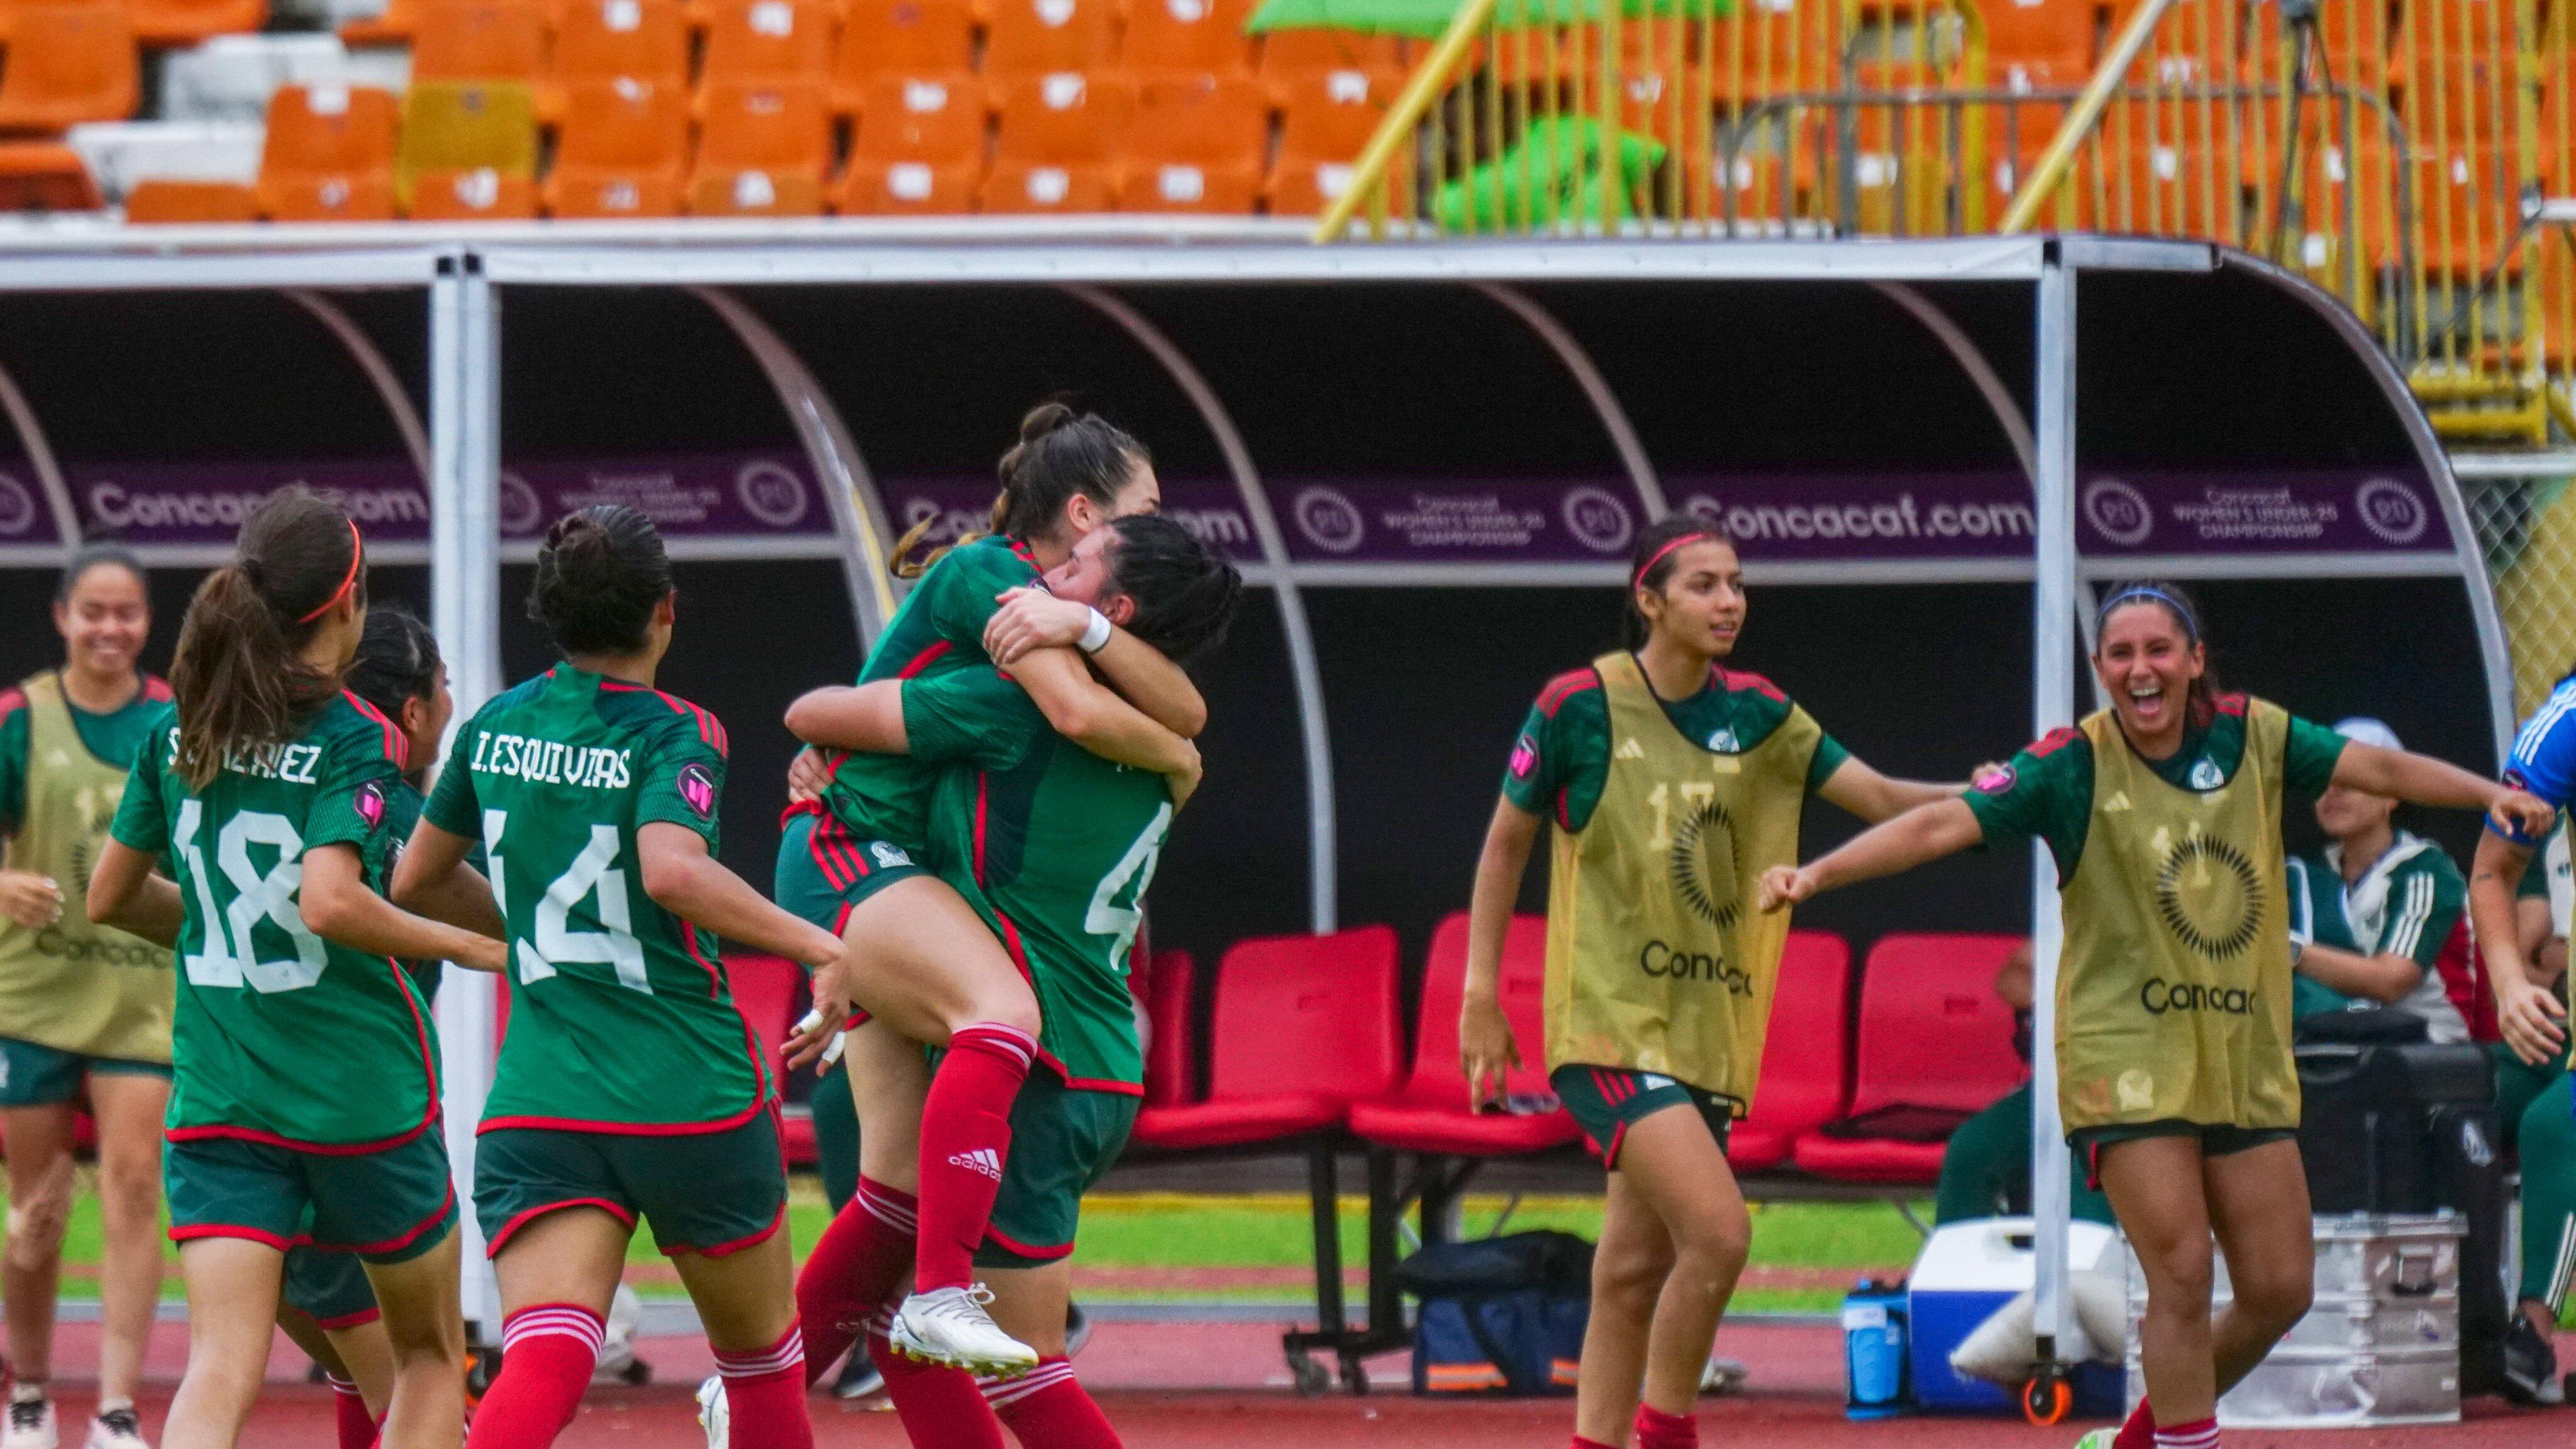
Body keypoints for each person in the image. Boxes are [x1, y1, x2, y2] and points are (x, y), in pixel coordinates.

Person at [1757, 581, 2551, 1449]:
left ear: (2195, 660)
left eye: (2159, 650)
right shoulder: (2071, 763)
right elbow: (1938, 825)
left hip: (2240, 1055)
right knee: (2179, 1273)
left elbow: (2383, 770)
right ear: (2100, 669)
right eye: (2121, 654)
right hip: (2127, 1056)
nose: (2141, 669)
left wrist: (2489, 792)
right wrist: (1818, 875)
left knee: (2280, 1288)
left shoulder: (2253, 734)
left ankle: (2137, 1441)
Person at [1455, 517, 1968, 1449]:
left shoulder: (1761, 712)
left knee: (1629, 1271)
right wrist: (1479, 996)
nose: (1729, 601)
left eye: (1736, 583)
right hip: (1605, 1026)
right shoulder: (1580, 704)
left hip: (1703, 1033)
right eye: (1704, 585)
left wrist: (1995, 792)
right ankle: (1668, 1433)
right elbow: (1504, 845)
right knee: (1721, 1234)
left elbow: (1884, 799)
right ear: (1648, 601)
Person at [767, 509, 1241, 1449]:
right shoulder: (1170, 746)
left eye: (1074, 568)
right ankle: (754, 1393)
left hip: (1043, 1068)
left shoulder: (1007, 708)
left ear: (1115, 609)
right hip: (1096, 1059)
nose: (1042, 577)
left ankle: (759, 1387)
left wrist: (830, 764)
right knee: (909, 1335)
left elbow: (815, 713)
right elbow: (1175, 723)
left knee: (1023, 1369)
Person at [389, 505, 846, 1449]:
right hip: (687, 1094)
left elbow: (416, 880)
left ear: (550, 615)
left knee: (544, 1361)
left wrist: (530, 928)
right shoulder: (678, 730)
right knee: (762, 1366)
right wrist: (820, 946)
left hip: (541, 1103)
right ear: (664, 610)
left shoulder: (495, 724)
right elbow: (671, 871)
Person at [85, 489, 509, 1449]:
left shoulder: (178, 729)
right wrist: (473, 946)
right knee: (428, 1362)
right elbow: (330, 902)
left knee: (218, 1366)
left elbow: (110, 896)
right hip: (359, 1103)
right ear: (348, 601)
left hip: (223, 1098)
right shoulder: (355, 735)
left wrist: (223, 932)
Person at [0, 546, 172, 1449]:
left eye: (127, 612)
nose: (111, 629)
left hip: (139, 998)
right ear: (62, 615)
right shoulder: (19, 720)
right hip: (32, 998)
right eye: (94, 611)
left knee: (135, 1189)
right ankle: (30, 1391)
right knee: (36, 1209)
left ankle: (116, 1407)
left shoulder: (176, 723)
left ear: (148, 621)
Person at [272, 604, 454, 1449]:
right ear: (412, 712)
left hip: (243, 1115)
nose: (452, 703)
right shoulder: (405, 827)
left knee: (360, 1374)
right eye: (444, 686)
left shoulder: (267, 790)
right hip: (360, 1126)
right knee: (425, 1385)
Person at [2464, 677, 2576, 1405]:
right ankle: (2482, 1328)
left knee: (2554, 1120)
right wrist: (2508, 985)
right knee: (2475, 1102)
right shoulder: (2567, 721)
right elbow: (2492, 870)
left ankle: (2531, 1331)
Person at [2284, 718, 2474, 1041]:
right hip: (2338, 1041)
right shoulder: (2306, 874)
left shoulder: (2424, 868)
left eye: (2350, 779)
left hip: (2431, 1047)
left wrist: (2288, 950)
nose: (2332, 790)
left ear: (2393, 794)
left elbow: (2392, 981)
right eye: (2321, 778)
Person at [1933, 943, 2116, 1228]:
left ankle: (2087, 1255)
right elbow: (2010, 980)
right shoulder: (2075, 921)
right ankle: (1958, 1257)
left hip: (2133, 1087)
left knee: (2091, 1157)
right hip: (2058, 1084)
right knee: (1971, 1149)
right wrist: (2060, 1002)